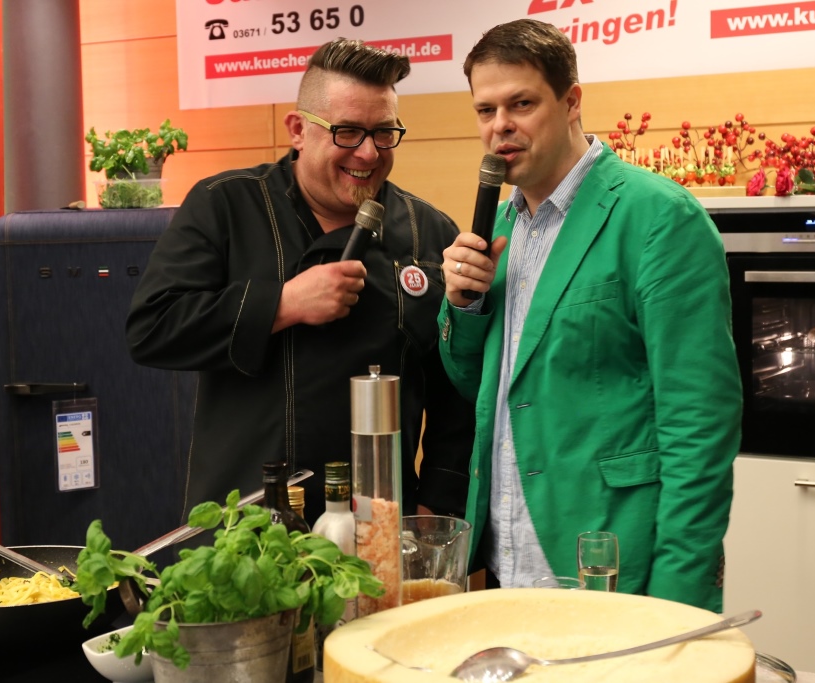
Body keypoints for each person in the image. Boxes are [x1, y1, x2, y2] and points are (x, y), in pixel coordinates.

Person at [438, 19, 741, 612]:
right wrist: (463, 306)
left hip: (610, 563)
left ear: (572, 101)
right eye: (485, 110)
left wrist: (677, 601)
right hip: (507, 563)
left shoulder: (660, 218)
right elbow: (486, 390)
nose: (500, 126)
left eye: (521, 104)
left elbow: (700, 428)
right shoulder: (499, 225)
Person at [126, 38, 474, 526]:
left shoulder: (427, 231)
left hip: (378, 523)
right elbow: (152, 328)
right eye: (347, 132)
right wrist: (283, 303)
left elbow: (456, 391)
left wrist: (436, 502)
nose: (369, 153)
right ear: (298, 130)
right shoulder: (226, 204)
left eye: (384, 132)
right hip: (244, 526)